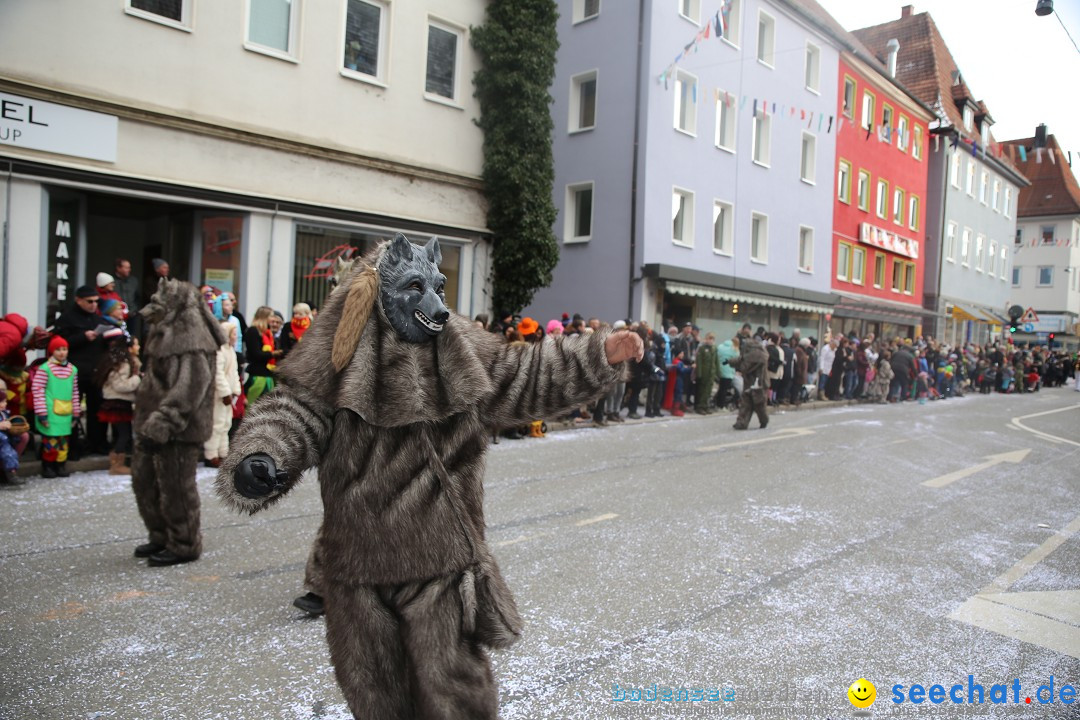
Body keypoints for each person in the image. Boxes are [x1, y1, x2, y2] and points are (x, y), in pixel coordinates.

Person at [216, 234, 642, 720]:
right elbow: (294, 412)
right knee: (376, 697)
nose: (434, 304)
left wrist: (596, 355)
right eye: (416, 288)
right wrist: (263, 454)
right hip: (359, 567)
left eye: (437, 287)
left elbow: (521, 375)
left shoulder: (458, 348)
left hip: (440, 561)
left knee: (454, 694)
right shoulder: (340, 351)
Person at [131, 278, 225, 566]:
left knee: (176, 487)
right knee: (145, 482)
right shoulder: (165, 329)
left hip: (177, 428)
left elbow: (192, 387)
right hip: (152, 424)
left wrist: (165, 421)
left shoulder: (191, 337)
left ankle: (184, 543)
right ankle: (160, 535)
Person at [54, 285, 108, 455]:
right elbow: (59, 344)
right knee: (72, 410)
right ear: (78, 300)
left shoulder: (97, 318)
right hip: (74, 372)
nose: (93, 305)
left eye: (96, 302)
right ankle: (73, 447)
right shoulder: (67, 318)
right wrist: (82, 337)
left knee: (97, 410)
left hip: (95, 372)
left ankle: (96, 443)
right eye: (89, 301)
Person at [33, 336, 80, 478]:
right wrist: (42, 413)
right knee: (50, 441)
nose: (61, 352)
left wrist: (76, 412)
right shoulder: (45, 369)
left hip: (66, 412)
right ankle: (48, 465)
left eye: (64, 349)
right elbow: (38, 390)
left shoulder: (73, 369)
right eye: (58, 349)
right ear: (51, 351)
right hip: (50, 412)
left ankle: (61, 464)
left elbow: (75, 391)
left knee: (63, 442)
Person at [95, 336, 141, 475]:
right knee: (124, 434)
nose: (138, 348)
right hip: (118, 403)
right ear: (129, 348)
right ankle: (116, 465)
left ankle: (117, 463)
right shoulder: (124, 364)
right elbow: (120, 385)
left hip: (119, 402)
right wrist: (137, 378)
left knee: (123, 434)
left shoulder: (123, 362)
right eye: (136, 345)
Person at [205, 321, 241, 468]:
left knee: (226, 423)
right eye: (233, 334)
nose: (235, 336)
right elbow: (217, 374)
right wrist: (225, 392)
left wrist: (236, 390)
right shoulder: (219, 351)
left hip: (229, 395)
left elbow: (235, 373)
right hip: (218, 395)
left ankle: (223, 452)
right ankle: (211, 454)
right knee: (217, 423)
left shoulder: (231, 351)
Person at [728, 324, 768, 430]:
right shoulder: (761, 352)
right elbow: (741, 360)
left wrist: (734, 363)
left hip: (757, 382)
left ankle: (760, 421)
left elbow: (744, 366)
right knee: (748, 403)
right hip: (755, 382)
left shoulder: (754, 356)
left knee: (756, 404)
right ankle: (742, 423)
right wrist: (731, 361)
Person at [244, 306, 283, 405]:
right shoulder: (253, 331)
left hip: (267, 375)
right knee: (253, 406)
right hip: (258, 376)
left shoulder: (267, 333)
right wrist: (273, 354)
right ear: (264, 317)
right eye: (271, 316)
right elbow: (256, 354)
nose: (273, 319)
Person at [0, 382, 27, 485]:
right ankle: (10, 474)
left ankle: (11, 474)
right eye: (3, 402)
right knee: (8, 452)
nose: (6, 403)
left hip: (6, 439)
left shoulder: (4, 413)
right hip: (2, 440)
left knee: (10, 453)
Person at [694, 332, 719, 414]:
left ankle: (706, 406)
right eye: (709, 339)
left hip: (711, 373)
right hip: (704, 372)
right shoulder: (702, 348)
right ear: (706, 339)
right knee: (702, 390)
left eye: (712, 339)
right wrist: (699, 373)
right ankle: (700, 406)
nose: (711, 341)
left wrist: (718, 372)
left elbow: (716, 361)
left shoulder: (714, 348)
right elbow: (699, 362)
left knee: (708, 390)